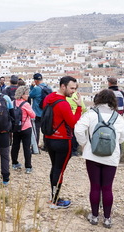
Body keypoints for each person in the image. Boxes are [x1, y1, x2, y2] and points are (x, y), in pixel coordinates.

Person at [74, 89, 124, 228]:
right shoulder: (118, 117)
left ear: (98, 99)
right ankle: (107, 219)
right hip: (111, 157)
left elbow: (78, 129)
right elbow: (122, 138)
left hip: (92, 155)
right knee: (107, 188)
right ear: (113, 102)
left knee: (95, 186)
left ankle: (94, 217)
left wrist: (84, 143)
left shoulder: (91, 114)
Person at [42, 76, 82, 209]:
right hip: (63, 141)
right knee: (60, 170)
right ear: (63, 86)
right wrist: (79, 108)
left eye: (75, 89)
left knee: (55, 167)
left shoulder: (49, 98)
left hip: (49, 138)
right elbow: (74, 123)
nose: (73, 91)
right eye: (71, 88)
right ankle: (55, 201)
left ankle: (53, 196)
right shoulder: (64, 104)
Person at [11, 86, 36, 174]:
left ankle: (14, 163)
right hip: (26, 127)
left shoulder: (13, 102)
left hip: (15, 127)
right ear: (22, 95)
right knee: (26, 147)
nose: (28, 95)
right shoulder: (26, 104)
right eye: (26, 94)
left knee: (15, 145)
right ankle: (28, 167)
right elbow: (33, 115)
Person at [29, 73, 52, 150]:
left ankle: (35, 147)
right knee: (45, 130)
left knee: (36, 130)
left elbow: (30, 95)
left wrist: (32, 86)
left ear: (35, 81)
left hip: (37, 113)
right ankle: (46, 146)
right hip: (46, 112)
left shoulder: (36, 88)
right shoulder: (48, 87)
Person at [66, 84, 86, 156]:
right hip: (76, 117)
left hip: (67, 117)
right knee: (75, 134)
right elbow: (83, 108)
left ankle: (68, 150)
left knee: (68, 134)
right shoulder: (77, 96)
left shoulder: (66, 96)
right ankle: (74, 151)